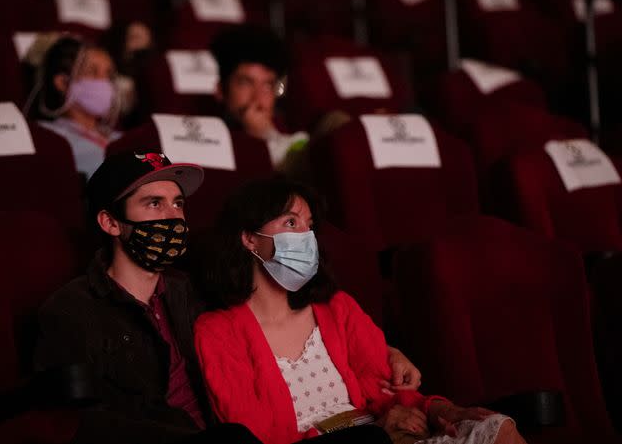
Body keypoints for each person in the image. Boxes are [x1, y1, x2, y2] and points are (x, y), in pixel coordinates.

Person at [34, 152, 421, 444]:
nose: (172, 217)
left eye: (178, 203)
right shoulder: (72, 310)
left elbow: (267, 324)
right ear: (111, 222)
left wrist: (388, 352)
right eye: (154, 204)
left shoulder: (194, 290)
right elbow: (71, 423)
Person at [194, 177, 527, 444]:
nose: (306, 237)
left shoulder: (337, 308)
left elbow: (387, 394)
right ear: (250, 239)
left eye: (309, 225)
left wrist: (442, 408)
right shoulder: (216, 331)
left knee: (498, 428)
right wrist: (372, 433)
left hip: (385, 435)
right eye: (291, 222)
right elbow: (255, 438)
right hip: (363, 440)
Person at [210, 25, 350, 178]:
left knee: (338, 122)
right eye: (246, 82)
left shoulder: (289, 133)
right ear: (220, 90)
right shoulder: (213, 140)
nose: (258, 97)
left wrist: (268, 135)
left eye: (268, 85)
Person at [26, 34, 122, 178]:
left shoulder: (123, 138)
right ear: (63, 83)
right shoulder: (48, 138)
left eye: (108, 74)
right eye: (92, 72)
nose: (104, 82)